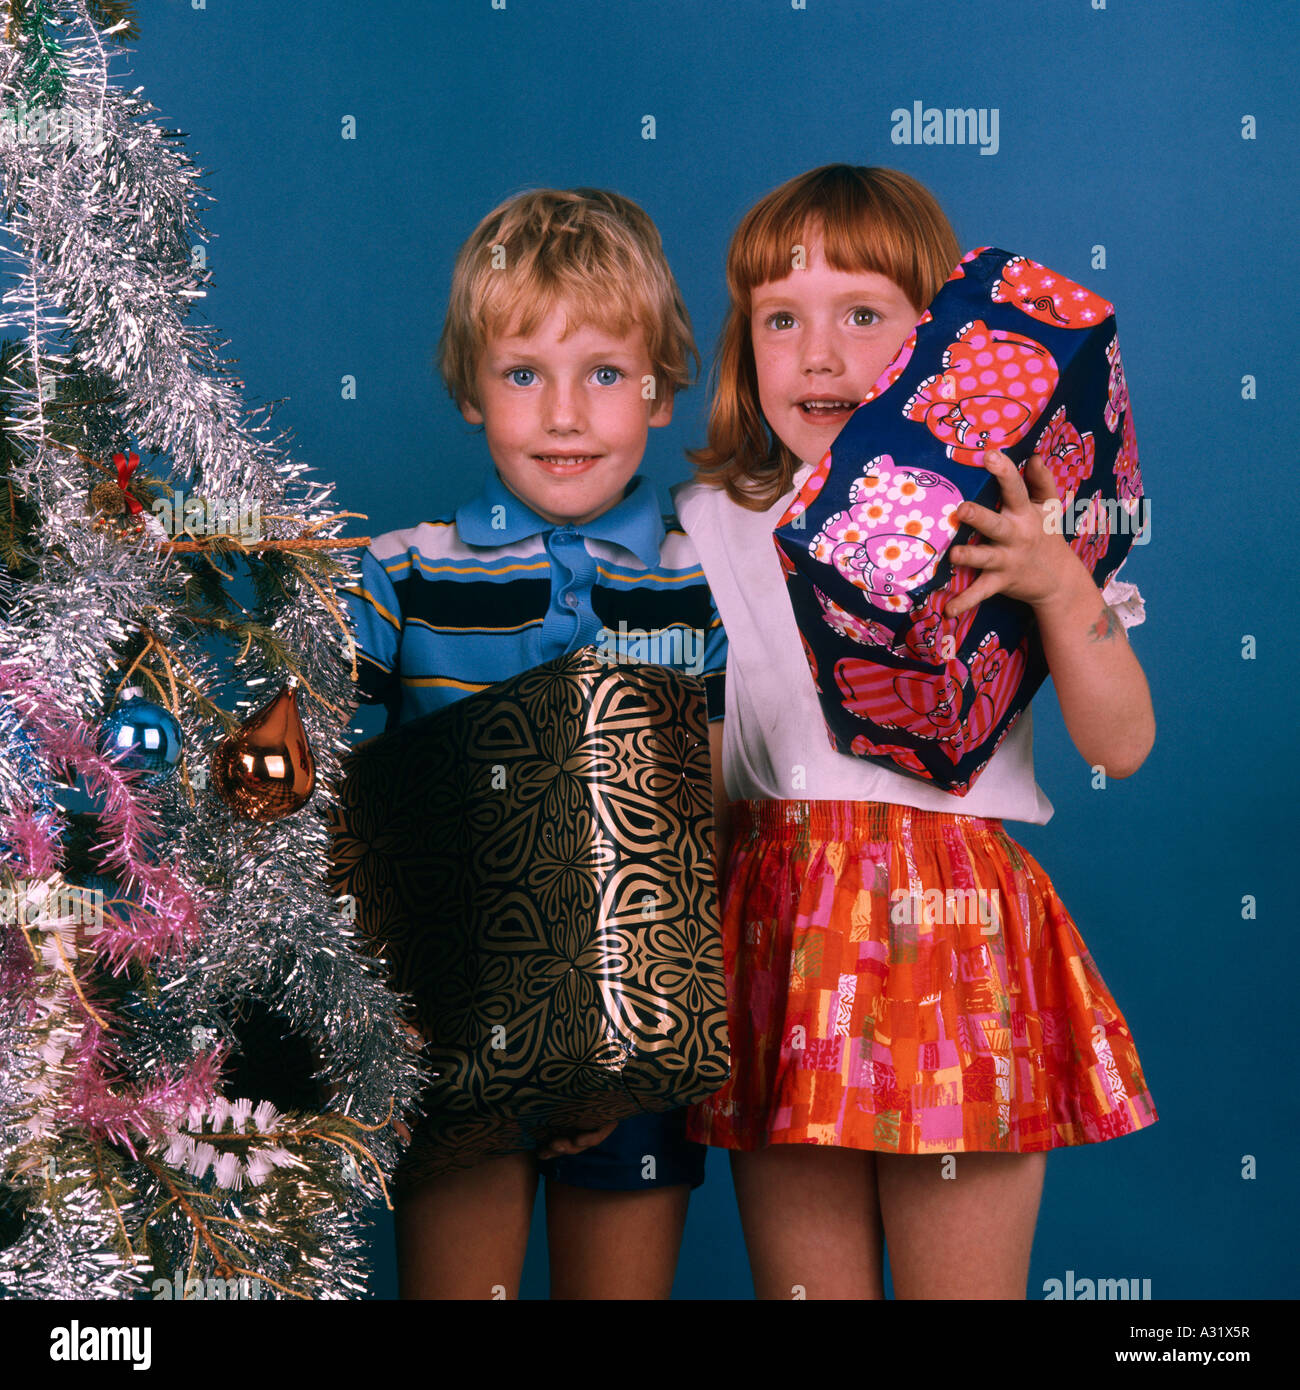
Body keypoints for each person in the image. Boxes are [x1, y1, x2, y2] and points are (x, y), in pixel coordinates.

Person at [674, 164, 1157, 1300]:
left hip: (955, 938)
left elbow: (1121, 743)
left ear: (937, 347)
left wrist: (1055, 582)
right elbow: (683, 771)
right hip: (778, 942)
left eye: (862, 315)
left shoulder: (1010, 521)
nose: (819, 354)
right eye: (781, 320)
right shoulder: (704, 528)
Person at [343, 187, 726, 1299]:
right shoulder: (405, 571)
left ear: (659, 392)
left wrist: (607, 1052)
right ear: (470, 388)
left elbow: (713, 808)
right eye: (523, 374)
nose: (565, 413)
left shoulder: (703, 581)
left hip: (640, 1022)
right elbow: (297, 768)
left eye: (604, 373)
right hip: (445, 1024)